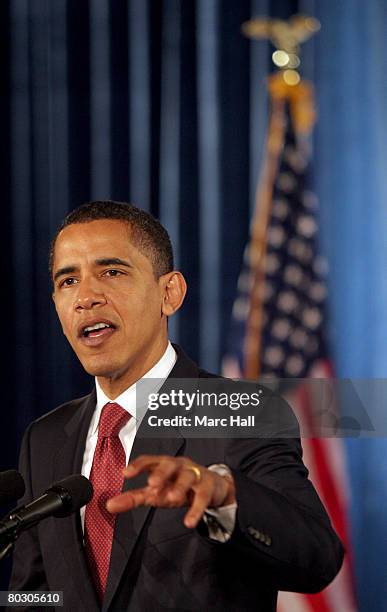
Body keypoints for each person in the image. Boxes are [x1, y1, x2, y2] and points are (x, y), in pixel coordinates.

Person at [9, 201, 344, 611]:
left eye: (111, 272)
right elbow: (35, 593)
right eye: (67, 281)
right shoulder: (45, 438)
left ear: (170, 293)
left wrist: (225, 497)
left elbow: (318, 559)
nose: (85, 297)